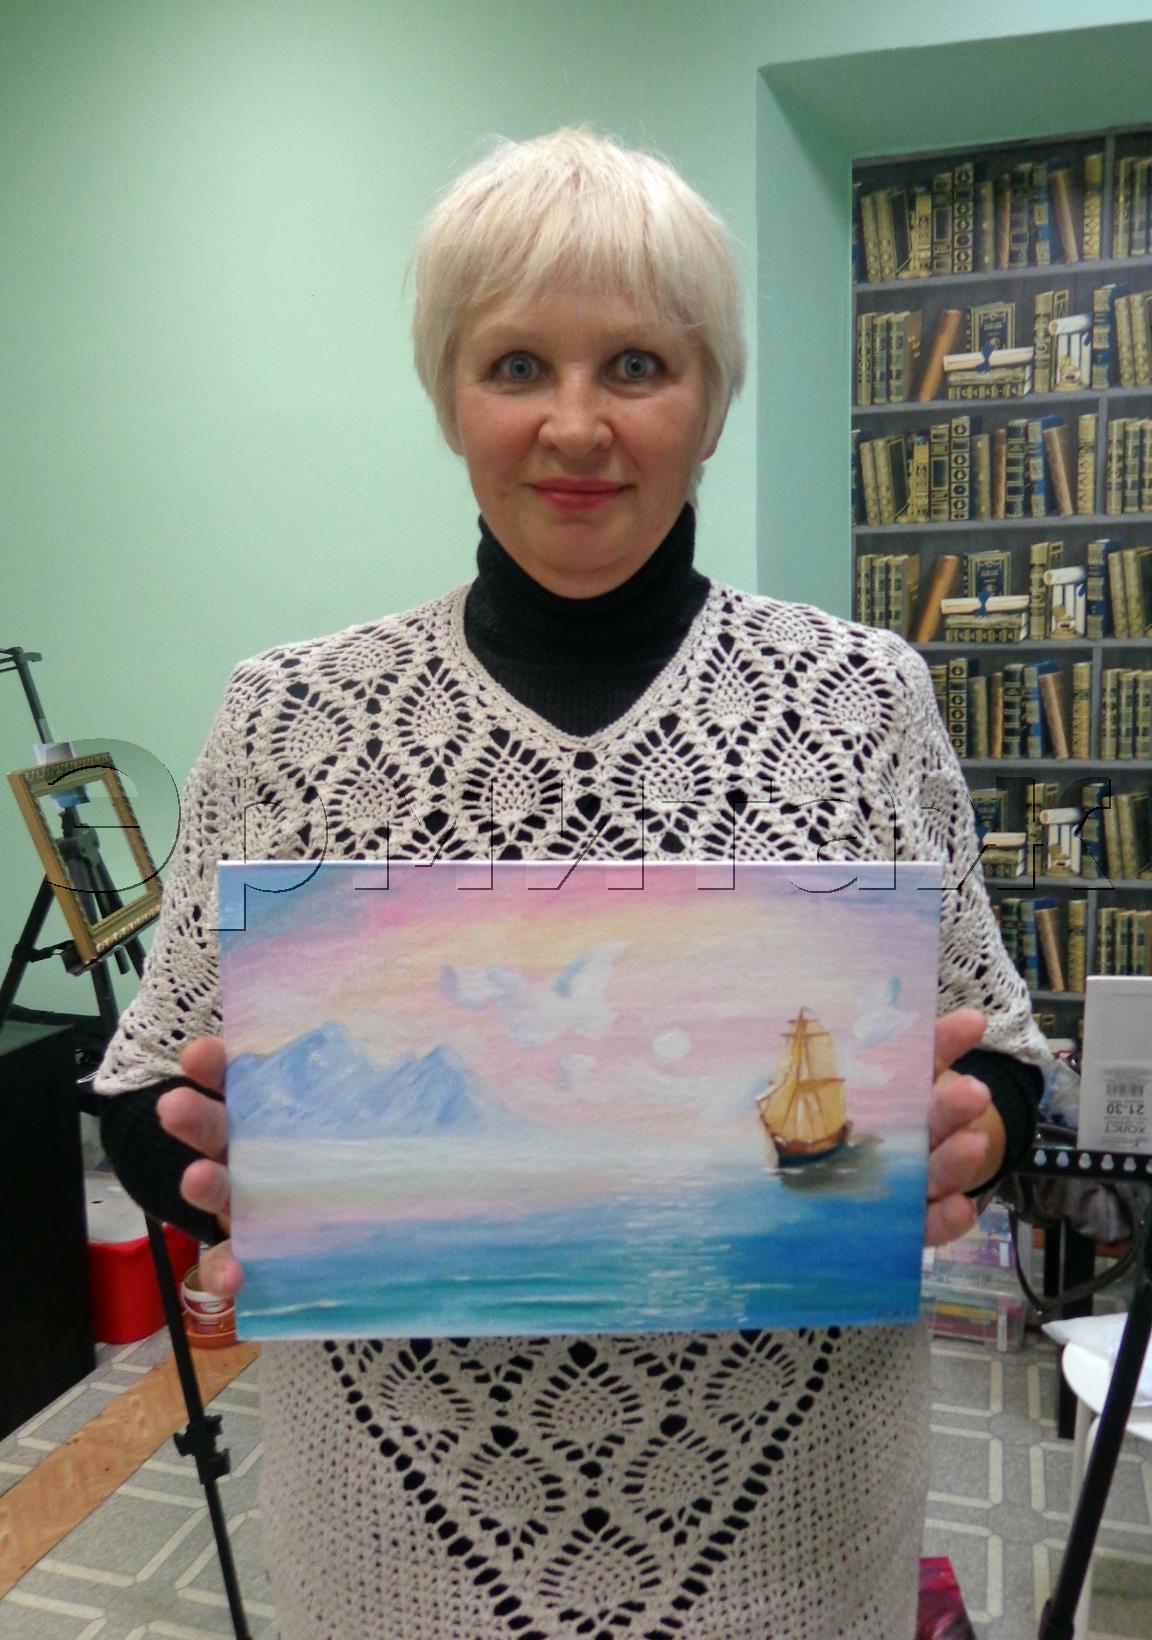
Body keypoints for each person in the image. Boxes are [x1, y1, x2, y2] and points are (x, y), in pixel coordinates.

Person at [97, 125, 1048, 1639]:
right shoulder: (288, 714)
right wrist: (204, 1159)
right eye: (518, 365)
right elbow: (145, 1085)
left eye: (638, 366)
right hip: (397, 1539)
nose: (576, 424)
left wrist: (971, 1133)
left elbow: (998, 1048)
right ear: (450, 399)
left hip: (796, 1528)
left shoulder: (865, 695)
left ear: (712, 399)